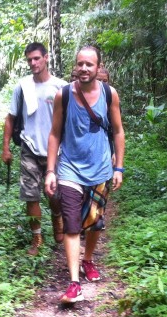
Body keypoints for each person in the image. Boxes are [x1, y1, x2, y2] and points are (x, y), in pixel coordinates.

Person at [45, 45, 125, 303]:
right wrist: (50, 170)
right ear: (75, 66)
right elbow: (55, 133)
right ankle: (74, 282)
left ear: (98, 67)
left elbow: (118, 131)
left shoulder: (109, 94)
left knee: (94, 222)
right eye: (80, 63)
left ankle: (88, 259)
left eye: (89, 64)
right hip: (69, 169)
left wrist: (119, 167)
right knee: (72, 223)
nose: (84, 68)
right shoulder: (64, 95)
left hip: (100, 169)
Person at [2, 42, 67, 255]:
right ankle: (37, 238)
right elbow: (10, 118)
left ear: (46, 58)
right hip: (29, 146)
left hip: (54, 150)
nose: (33, 63)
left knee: (54, 195)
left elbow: (70, 120)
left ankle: (58, 220)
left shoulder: (61, 87)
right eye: (30, 59)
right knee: (31, 196)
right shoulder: (22, 86)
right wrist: (6, 148)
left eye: (37, 58)